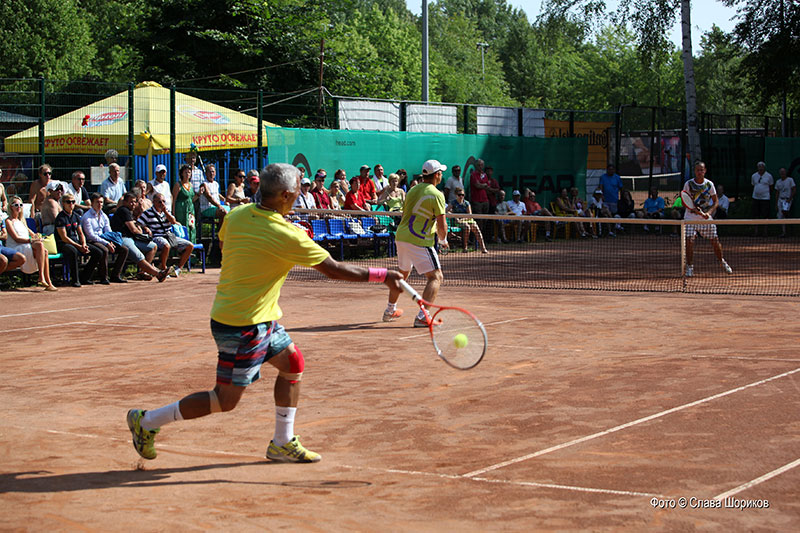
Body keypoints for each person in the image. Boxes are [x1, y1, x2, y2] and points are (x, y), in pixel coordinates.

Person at [125, 163, 404, 463]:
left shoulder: (236, 215)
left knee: (293, 364)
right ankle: (147, 421)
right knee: (224, 400)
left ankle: (282, 442)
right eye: (297, 190)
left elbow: (227, 245)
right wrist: (384, 275)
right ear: (285, 195)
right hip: (242, 325)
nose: (298, 195)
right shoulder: (288, 235)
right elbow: (334, 270)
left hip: (259, 318)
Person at [382, 160, 449, 327]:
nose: (441, 175)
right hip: (419, 239)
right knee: (436, 276)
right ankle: (423, 316)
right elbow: (442, 225)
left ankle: (390, 310)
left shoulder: (412, 190)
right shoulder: (437, 194)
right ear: (437, 175)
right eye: (441, 172)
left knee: (401, 275)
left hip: (401, 236)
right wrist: (443, 240)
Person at [683, 160, 732, 277]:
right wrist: (695, 211)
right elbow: (686, 201)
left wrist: (708, 213)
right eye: (697, 170)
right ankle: (690, 267)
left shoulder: (709, 184)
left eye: (701, 170)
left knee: (714, 241)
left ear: (704, 171)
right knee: (689, 241)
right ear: (695, 171)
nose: (699, 172)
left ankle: (722, 261)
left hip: (705, 219)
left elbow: (716, 202)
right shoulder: (688, 184)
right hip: (690, 218)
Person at [110, 192, 171, 282]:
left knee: (153, 246)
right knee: (139, 256)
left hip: (132, 238)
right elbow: (133, 230)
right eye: (131, 202)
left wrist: (142, 228)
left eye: (135, 202)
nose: (133, 204)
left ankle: (143, 272)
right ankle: (158, 274)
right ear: (125, 202)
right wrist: (140, 232)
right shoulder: (124, 210)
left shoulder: (129, 212)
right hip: (122, 238)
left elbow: (136, 225)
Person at [4, 196, 56, 290]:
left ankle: (47, 281)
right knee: (39, 246)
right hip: (16, 247)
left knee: (44, 251)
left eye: (21, 205)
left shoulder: (21, 220)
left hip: (25, 244)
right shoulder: (8, 221)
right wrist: (31, 241)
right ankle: (41, 277)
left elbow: (32, 234)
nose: (19, 207)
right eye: (16, 205)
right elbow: (16, 238)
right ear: (11, 206)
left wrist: (38, 237)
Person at [55, 193, 105, 287]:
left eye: (73, 202)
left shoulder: (76, 216)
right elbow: (64, 237)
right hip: (63, 244)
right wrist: (78, 246)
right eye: (68, 202)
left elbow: (80, 233)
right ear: (63, 203)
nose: (71, 204)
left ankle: (85, 278)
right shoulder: (60, 218)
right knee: (73, 251)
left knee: (98, 252)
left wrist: (84, 244)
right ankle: (75, 280)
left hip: (76, 242)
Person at [139, 193, 194, 274]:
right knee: (166, 245)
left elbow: (173, 221)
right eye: (159, 202)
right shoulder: (148, 213)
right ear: (154, 202)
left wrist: (165, 212)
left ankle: (178, 268)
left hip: (169, 236)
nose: (162, 204)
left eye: (163, 201)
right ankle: (163, 268)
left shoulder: (167, 211)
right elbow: (139, 223)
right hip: (157, 236)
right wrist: (145, 228)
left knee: (190, 246)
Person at [81, 193, 129, 283]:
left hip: (104, 239)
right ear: (92, 203)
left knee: (124, 249)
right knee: (104, 250)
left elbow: (108, 231)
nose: (100, 204)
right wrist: (106, 243)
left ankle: (115, 275)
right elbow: (91, 236)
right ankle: (103, 277)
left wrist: (111, 241)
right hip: (92, 241)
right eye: (97, 202)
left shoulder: (104, 215)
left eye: (101, 202)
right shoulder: (87, 217)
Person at [446, 187, 487, 253]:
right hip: (458, 222)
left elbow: (470, 215)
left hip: (467, 219)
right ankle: (465, 247)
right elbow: (446, 211)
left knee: (475, 227)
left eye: (462, 195)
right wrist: (454, 216)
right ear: (456, 195)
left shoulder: (467, 203)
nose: (461, 196)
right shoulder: (453, 203)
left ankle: (483, 248)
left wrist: (463, 219)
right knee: (466, 227)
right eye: (459, 195)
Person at [172, 164, 197, 243]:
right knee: (183, 228)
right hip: (181, 210)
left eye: (189, 172)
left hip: (190, 210)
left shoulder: (191, 185)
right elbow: (174, 199)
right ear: (182, 173)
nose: (187, 174)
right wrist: (173, 212)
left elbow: (192, 199)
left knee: (191, 226)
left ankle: (192, 244)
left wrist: (199, 194)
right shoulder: (178, 185)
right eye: (185, 172)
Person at [751, 161, 773, 236]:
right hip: (755, 198)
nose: (760, 168)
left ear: (764, 167)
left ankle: (765, 232)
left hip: (765, 199)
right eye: (759, 167)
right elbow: (753, 185)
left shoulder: (769, 176)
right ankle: (756, 232)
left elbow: (771, 187)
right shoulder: (754, 176)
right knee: (756, 215)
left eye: (762, 167)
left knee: (765, 215)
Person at [775, 168, 796, 237]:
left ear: (786, 173)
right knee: (780, 216)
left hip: (786, 200)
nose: (782, 173)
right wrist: (776, 203)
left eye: (783, 172)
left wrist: (789, 199)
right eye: (781, 172)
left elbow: (794, 189)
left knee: (785, 214)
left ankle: (789, 232)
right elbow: (777, 193)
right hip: (780, 200)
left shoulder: (790, 180)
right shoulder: (778, 182)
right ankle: (783, 232)